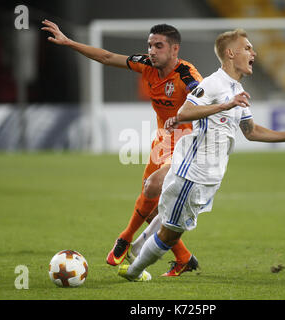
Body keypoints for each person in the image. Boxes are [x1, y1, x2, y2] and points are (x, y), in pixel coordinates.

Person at [117, 28, 285, 282]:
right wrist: (225, 105)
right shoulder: (213, 84)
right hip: (195, 172)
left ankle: (135, 251)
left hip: (210, 175)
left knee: (168, 217)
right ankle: (134, 272)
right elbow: (184, 112)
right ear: (230, 53)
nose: (253, 52)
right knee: (171, 231)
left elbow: (251, 131)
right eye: (247, 48)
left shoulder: (235, 88)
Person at [41, 20, 203, 276]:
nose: (151, 50)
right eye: (149, 45)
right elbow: (106, 57)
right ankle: (184, 258)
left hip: (186, 144)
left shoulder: (187, 75)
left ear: (174, 50)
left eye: (158, 46)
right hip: (162, 142)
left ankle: (125, 238)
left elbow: (204, 100)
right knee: (148, 209)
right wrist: (68, 42)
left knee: (151, 188)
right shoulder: (147, 65)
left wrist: (187, 115)